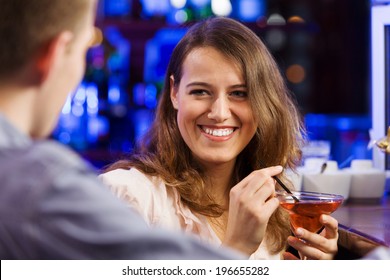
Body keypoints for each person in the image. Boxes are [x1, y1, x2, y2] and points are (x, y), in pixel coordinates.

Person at [0, 0, 242, 260]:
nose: (219, 112)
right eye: (83, 51)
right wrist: (238, 245)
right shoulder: (37, 183)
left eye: (239, 93)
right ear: (54, 55)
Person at [100, 17, 340, 260]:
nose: (220, 113)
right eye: (201, 92)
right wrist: (235, 249)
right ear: (174, 92)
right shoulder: (125, 195)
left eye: (239, 93)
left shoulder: (279, 199)